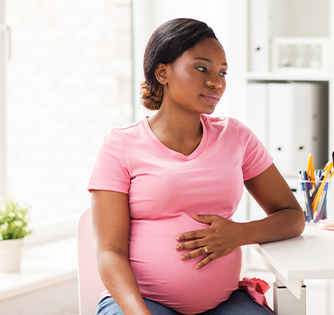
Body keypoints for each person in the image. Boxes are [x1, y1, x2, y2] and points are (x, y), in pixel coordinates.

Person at [88, 18, 305, 315]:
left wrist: (239, 234)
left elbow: (292, 217)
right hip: (141, 303)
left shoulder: (236, 137)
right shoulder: (119, 146)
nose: (216, 82)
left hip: (224, 303)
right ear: (163, 72)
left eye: (222, 72)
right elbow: (109, 252)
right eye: (201, 68)